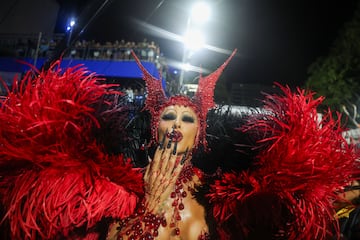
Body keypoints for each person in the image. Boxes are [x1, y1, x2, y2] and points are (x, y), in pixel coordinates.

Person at [1, 50, 360, 240]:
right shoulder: (116, 188)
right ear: (153, 127)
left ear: (199, 134)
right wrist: (146, 210)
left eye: (187, 119)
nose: (176, 123)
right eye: (167, 117)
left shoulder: (221, 194)